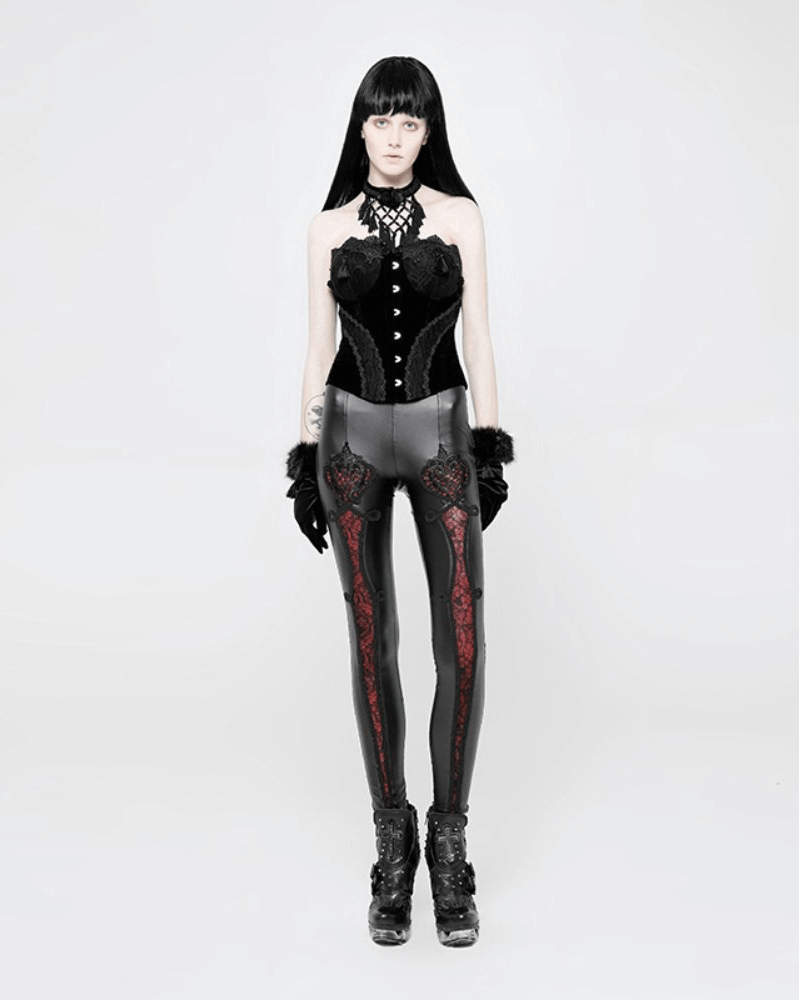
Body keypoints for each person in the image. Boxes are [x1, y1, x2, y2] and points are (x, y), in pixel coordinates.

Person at [284, 55, 514, 948]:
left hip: (440, 437)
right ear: (361, 127)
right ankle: (394, 839)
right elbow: (317, 349)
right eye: (381, 119)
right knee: (369, 637)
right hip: (348, 441)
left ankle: (449, 844)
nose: (393, 136)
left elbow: (480, 338)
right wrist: (305, 454)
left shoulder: (460, 216)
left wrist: (489, 445)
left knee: (462, 639)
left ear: (428, 131)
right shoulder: (325, 227)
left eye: (410, 121)